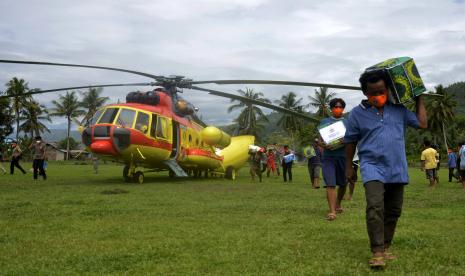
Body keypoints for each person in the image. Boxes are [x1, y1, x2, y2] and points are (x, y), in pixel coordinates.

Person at [344, 69, 427, 268]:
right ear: (365, 93)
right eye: (373, 92)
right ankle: (377, 251)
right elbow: (350, 141)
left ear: (388, 89)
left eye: (381, 90)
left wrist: (419, 99)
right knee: (375, 206)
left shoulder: (399, 110)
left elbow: (422, 123)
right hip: (371, 166)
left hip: (397, 167)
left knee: (394, 210)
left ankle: (386, 246)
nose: (378, 95)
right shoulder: (357, 114)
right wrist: (349, 167)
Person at [319, 98, 348, 221]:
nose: (338, 109)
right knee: (330, 184)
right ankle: (332, 212)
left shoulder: (348, 123)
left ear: (343, 108)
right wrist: (325, 145)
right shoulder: (324, 122)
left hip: (343, 156)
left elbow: (353, 139)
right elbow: (319, 141)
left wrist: (346, 141)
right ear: (331, 109)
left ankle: (338, 204)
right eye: (335, 107)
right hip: (328, 157)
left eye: (340, 107)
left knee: (343, 183)